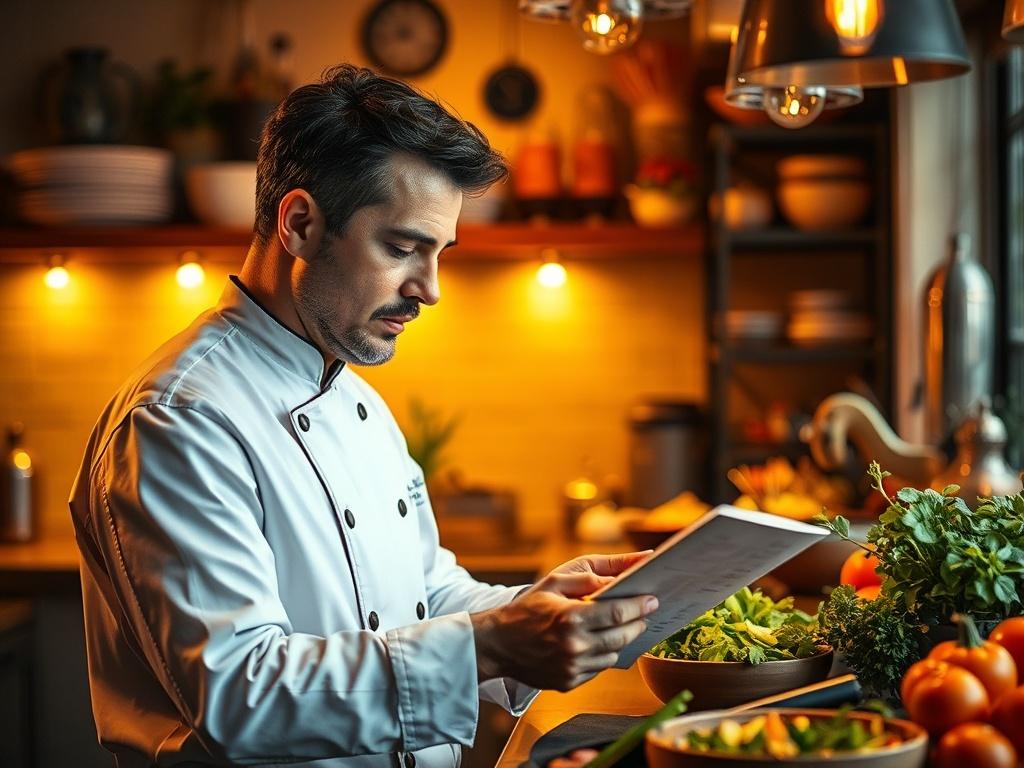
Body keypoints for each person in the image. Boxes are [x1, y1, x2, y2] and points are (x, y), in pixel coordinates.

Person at [69, 64, 658, 768]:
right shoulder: (180, 419)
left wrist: (550, 606)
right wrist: (493, 644)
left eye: (439, 253)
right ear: (300, 224)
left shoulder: (357, 400)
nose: (430, 290)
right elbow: (239, 695)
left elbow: (423, 594)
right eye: (403, 248)